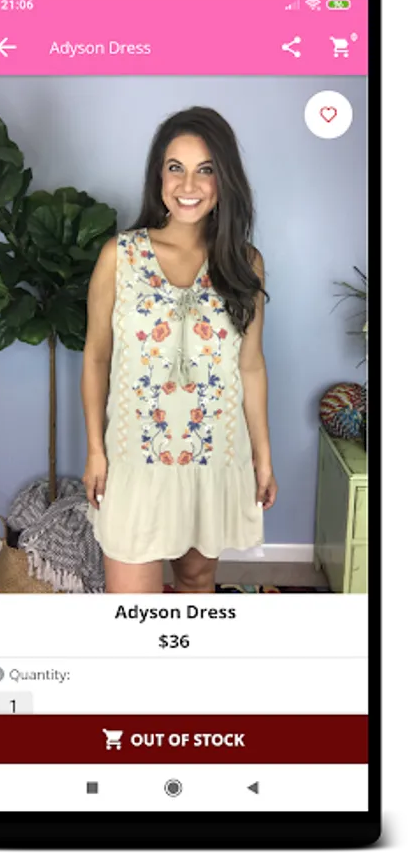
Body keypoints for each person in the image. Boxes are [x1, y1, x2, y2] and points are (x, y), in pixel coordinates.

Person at [81, 106, 277, 593]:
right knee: (134, 609)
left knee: (196, 582)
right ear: (159, 176)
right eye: (176, 167)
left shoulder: (245, 263)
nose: (189, 185)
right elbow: (97, 357)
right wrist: (95, 451)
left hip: (214, 460)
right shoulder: (120, 256)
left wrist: (263, 457)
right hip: (135, 460)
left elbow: (251, 366)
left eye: (205, 169)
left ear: (224, 179)